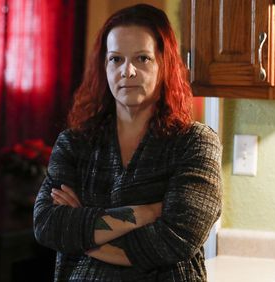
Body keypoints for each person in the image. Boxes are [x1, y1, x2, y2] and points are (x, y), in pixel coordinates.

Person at [33, 4, 222, 281]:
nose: (127, 71)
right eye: (116, 59)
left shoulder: (195, 142)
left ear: (164, 63)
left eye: (142, 58)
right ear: (104, 66)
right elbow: (48, 224)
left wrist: (84, 233)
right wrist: (145, 213)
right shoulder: (75, 143)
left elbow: (177, 238)